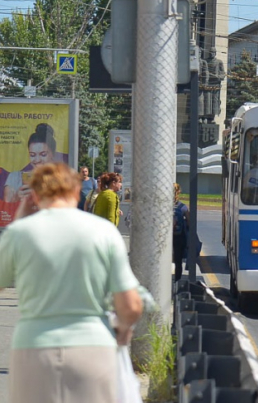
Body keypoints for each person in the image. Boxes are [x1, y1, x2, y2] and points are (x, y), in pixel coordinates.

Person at [0, 162, 143, 403]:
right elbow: (130, 306)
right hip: (93, 347)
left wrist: (21, 218)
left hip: (34, 347)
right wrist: (123, 330)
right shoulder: (103, 232)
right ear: (77, 191)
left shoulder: (20, 233)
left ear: (34, 195)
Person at [3, 123, 57, 203]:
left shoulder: (60, 178)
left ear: (53, 154)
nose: (37, 160)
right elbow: (6, 204)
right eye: (32, 155)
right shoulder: (16, 177)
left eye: (43, 154)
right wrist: (17, 196)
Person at [173, 183, 189, 280]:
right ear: (178, 192)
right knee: (178, 260)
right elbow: (189, 222)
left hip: (165, 237)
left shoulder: (161, 206)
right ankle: (177, 279)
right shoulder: (183, 207)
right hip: (179, 237)